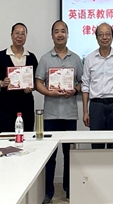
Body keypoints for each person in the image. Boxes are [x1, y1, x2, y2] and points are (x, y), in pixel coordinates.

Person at [35, 20, 84, 203]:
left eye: (63, 31)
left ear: (67, 34)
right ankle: (48, 192)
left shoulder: (76, 58)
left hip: (70, 115)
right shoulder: (45, 59)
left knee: (70, 155)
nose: (60, 34)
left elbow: (82, 82)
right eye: (57, 31)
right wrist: (50, 92)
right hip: (50, 115)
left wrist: (75, 91)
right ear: (52, 35)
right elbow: (38, 82)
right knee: (49, 156)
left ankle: (70, 189)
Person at [81, 23, 113, 149]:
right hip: (96, 106)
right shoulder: (89, 59)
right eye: (101, 34)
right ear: (96, 37)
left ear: (112, 36)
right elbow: (85, 86)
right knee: (97, 146)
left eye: (107, 34)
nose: (104, 37)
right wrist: (85, 111)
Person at [0, 22, 39, 134]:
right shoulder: (1, 56)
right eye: (17, 33)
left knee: (26, 137)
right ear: (11, 35)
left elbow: (37, 81)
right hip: (6, 106)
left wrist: (32, 87)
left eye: (23, 34)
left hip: (26, 105)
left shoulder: (31, 57)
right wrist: (2, 83)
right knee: (5, 138)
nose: (20, 36)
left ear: (26, 37)